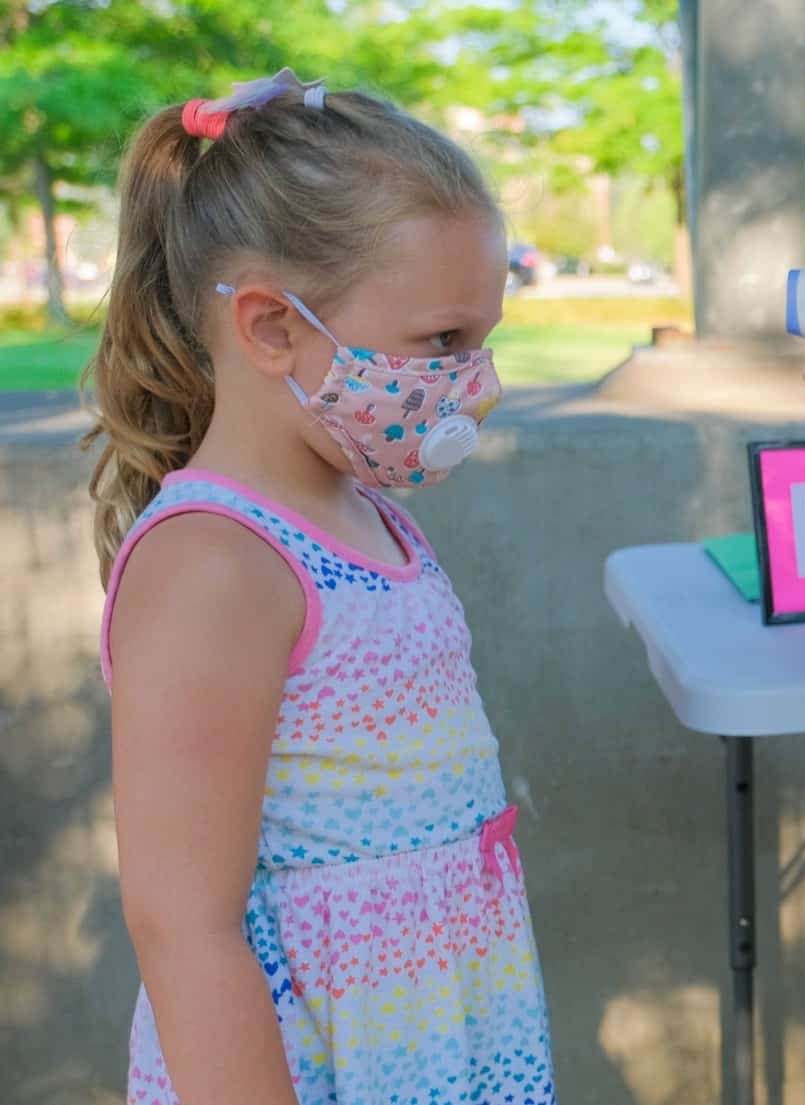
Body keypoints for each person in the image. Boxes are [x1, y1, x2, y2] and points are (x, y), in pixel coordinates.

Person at [85, 70, 552, 1105]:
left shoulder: (363, 508)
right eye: (443, 342)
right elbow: (183, 925)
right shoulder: (216, 565)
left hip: (437, 1034)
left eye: (483, 340)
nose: (477, 383)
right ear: (270, 328)